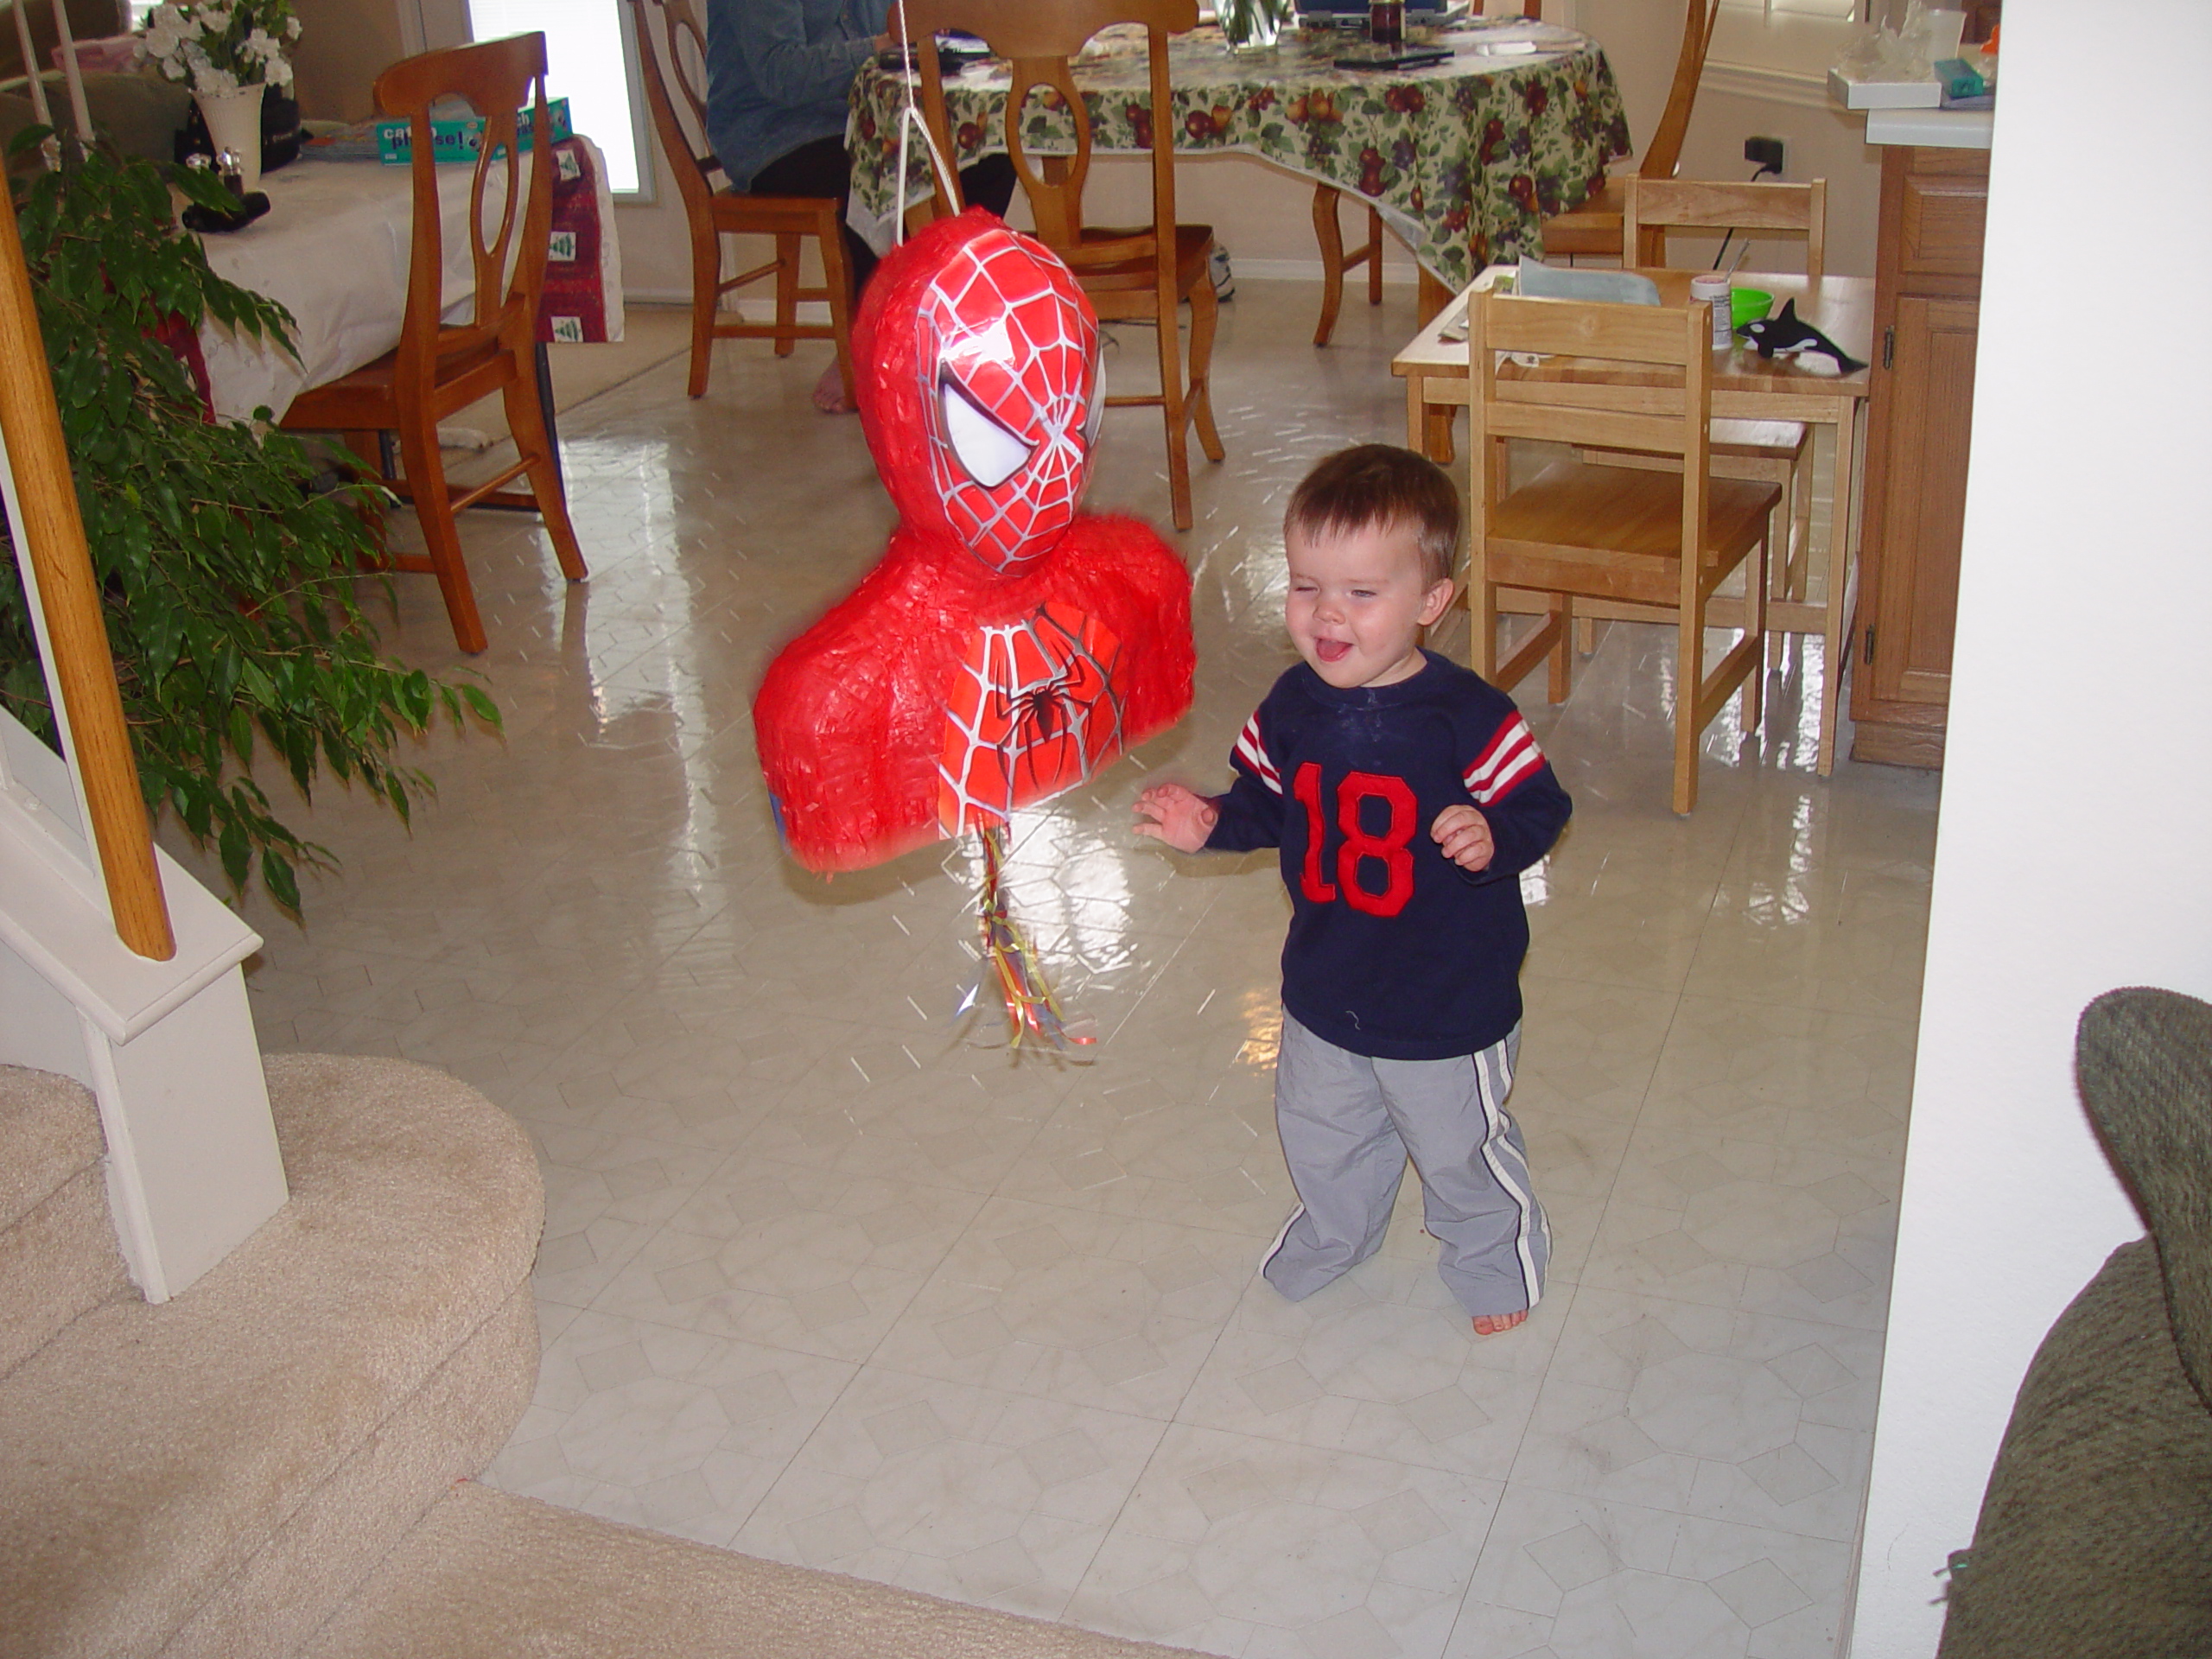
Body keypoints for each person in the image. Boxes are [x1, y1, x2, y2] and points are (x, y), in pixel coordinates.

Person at [1135, 444, 1572, 1336]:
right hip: (1327, 986)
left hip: (1448, 998)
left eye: (1361, 594)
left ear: (1431, 604)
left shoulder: (1468, 716)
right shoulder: (1292, 708)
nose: (1327, 615)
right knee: (1322, 1130)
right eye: (1305, 587)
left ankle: (1495, 1263)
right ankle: (1339, 1233)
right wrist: (1211, 824)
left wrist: (1494, 836)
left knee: (1459, 1150)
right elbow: (1267, 805)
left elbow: (1540, 802)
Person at [704, 0, 1017, 411]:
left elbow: (896, 30)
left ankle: (938, 324)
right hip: (774, 134)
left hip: (858, 117)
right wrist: (879, 46)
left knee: (992, 148)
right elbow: (781, 73)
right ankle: (867, 342)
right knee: (878, 173)